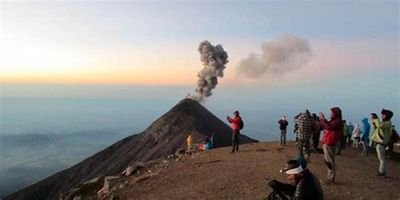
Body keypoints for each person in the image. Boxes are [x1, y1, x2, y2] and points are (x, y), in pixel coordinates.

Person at [320, 107, 343, 184]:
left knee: (329, 161)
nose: (330, 114)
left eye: (332, 112)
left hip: (330, 143)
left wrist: (323, 119)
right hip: (328, 142)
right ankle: (330, 177)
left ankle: (331, 178)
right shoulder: (335, 121)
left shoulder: (337, 121)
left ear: (335, 113)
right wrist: (323, 120)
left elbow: (328, 127)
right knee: (328, 161)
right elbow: (326, 126)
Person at [370, 109, 393, 176]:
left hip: (381, 143)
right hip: (380, 143)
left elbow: (380, 126)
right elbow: (379, 126)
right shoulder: (386, 122)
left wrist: (376, 119)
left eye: (383, 114)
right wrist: (375, 121)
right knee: (381, 158)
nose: (382, 116)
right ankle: (382, 171)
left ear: (387, 115)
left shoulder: (387, 123)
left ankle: (381, 172)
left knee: (381, 158)